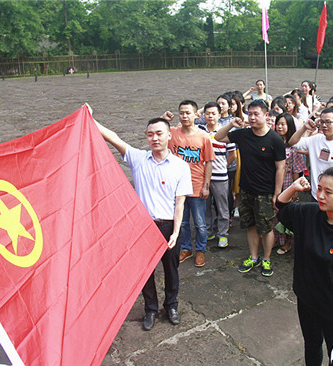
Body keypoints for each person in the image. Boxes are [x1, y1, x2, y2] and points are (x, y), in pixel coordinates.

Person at [95, 117, 192, 331]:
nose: (154, 138)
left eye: (159, 133)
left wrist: (176, 232)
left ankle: (171, 305)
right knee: (144, 272)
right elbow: (114, 138)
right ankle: (150, 308)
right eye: (150, 134)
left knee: (171, 270)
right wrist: (89, 118)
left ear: (169, 135)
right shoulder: (139, 159)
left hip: (168, 226)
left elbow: (180, 204)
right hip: (142, 227)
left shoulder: (180, 166)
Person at [276, 169, 333, 366]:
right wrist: (294, 187)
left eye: (328, 192)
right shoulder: (311, 213)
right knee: (311, 345)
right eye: (319, 189)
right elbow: (281, 205)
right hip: (307, 299)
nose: (320, 196)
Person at [215, 99, 286, 277]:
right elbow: (218, 137)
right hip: (246, 189)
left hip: (265, 192)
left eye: (256, 114)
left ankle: (266, 259)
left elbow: (280, 168)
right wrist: (232, 123)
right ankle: (253, 257)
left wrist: (277, 193)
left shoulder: (275, 139)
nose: (252, 118)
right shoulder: (243, 134)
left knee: (266, 228)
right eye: (250, 114)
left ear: (266, 115)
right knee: (251, 226)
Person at [162, 100, 216, 268]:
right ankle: (186, 248)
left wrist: (206, 186)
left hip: (197, 186)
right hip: (178, 188)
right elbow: (151, 134)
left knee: (200, 223)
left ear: (196, 115)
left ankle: (200, 249)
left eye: (188, 113)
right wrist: (162, 120)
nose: (184, 116)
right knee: (182, 222)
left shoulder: (203, 137)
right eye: (182, 113)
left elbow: (208, 162)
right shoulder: (172, 133)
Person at [288, 106, 333, 201]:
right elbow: (292, 143)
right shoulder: (315, 139)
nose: (324, 125)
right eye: (322, 122)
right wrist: (304, 128)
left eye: (328, 122)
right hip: (316, 194)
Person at [199, 102, 236, 248]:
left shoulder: (225, 133)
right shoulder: (200, 131)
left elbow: (233, 155)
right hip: (202, 176)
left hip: (220, 176)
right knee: (205, 207)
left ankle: (223, 234)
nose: (210, 116)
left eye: (214, 113)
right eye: (207, 113)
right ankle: (208, 231)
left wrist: (223, 166)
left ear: (219, 115)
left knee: (222, 207)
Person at [273, 112, 306, 254]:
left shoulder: (293, 147)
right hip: (273, 182)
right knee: (274, 212)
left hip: (287, 183)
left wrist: (295, 191)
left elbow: (296, 170)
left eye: (283, 124)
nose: (279, 127)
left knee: (286, 213)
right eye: (278, 124)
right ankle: (276, 239)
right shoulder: (272, 142)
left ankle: (287, 242)